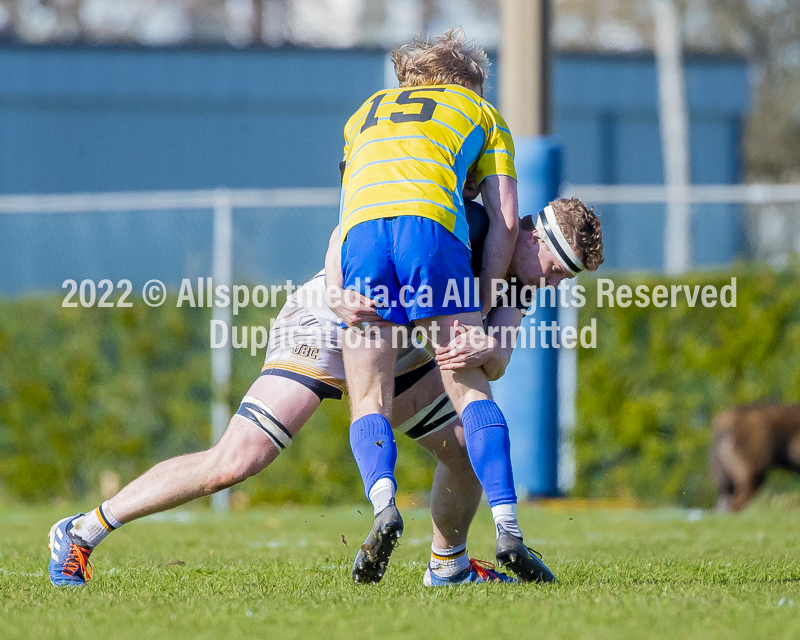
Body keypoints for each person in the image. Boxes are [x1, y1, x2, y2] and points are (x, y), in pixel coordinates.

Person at [46, 196, 604, 588]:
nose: (555, 284)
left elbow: (499, 358)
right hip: (327, 321)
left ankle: (448, 566)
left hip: (402, 345)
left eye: (566, 279)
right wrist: (339, 292)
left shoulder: (519, 280)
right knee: (237, 460)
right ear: (533, 235)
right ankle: (81, 529)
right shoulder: (470, 222)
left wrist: (485, 342)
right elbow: (351, 227)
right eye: (557, 269)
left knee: (464, 450)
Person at [333, 28, 548, 583]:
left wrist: (338, 285)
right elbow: (502, 219)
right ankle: (508, 529)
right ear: (464, 82)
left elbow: (352, 203)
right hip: (430, 231)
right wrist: (480, 297)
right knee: (468, 383)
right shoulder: (482, 113)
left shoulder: (363, 115)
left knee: (368, 398)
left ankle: (383, 505)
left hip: (360, 240)